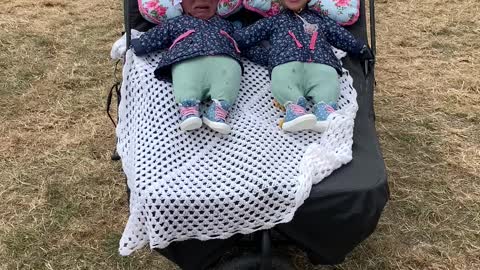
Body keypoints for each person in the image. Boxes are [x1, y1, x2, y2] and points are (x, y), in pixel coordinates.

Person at [234, 0, 373, 132]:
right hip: (286, 63)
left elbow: (340, 35)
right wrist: (268, 56)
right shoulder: (273, 21)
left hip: (322, 62)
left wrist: (360, 48)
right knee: (282, 81)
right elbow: (243, 39)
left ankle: (326, 111)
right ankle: (294, 109)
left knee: (328, 83)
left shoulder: (320, 20)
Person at [130, 0, 242, 134]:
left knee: (230, 75)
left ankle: (218, 111)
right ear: (178, 4)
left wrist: (266, 57)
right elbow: (154, 37)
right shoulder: (177, 22)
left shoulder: (227, 26)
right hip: (187, 57)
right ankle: (189, 108)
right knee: (185, 75)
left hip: (224, 58)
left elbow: (243, 41)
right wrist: (134, 45)